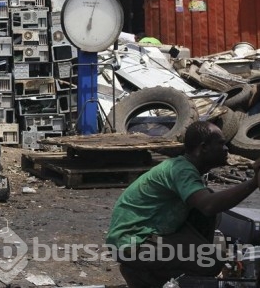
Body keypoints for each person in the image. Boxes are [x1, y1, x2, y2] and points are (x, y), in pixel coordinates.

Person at [106, 120, 260, 287]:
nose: (226, 149)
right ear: (203, 147)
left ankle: (147, 272)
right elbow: (209, 205)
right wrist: (253, 183)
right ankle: (143, 274)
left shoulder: (186, 168)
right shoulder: (180, 170)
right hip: (132, 241)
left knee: (205, 218)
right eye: (221, 144)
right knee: (211, 261)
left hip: (146, 233)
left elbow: (209, 209)